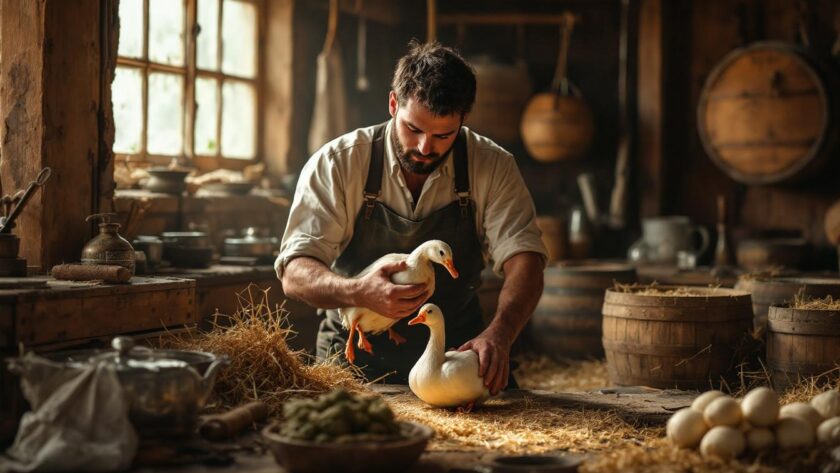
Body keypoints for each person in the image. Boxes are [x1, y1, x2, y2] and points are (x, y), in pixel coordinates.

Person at [276, 40, 546, 395]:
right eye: (413, 129)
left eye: (443, 135)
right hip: (355, 358)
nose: (424, 148)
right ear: (393, 104)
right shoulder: (338, 163)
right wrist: (358, 290)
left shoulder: (491, 166)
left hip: (454, 355)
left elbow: (525, 259)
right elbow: (295, 273)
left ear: (463, 119)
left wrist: (500, 334)